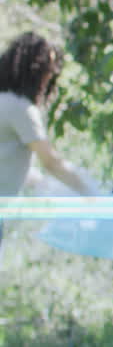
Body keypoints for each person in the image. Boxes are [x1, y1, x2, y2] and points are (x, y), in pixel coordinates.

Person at [0, 32, 94, 251]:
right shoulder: (20, 109)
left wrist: (42, 184)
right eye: (47, 71)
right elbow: (52, 162)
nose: (49, 78)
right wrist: (91, 193)